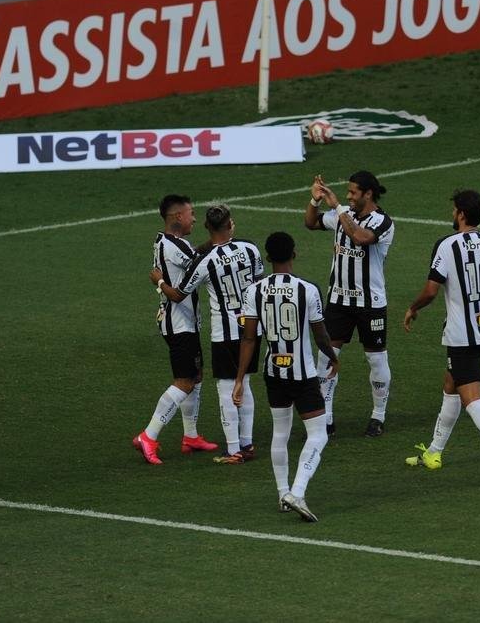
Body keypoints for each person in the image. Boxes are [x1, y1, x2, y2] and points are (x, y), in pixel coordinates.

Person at [402, 189, 480, 481]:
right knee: (451, 384)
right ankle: (434, 452)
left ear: (460, 214)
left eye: (454, 210)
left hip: (461, 334)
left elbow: (432, 290)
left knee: (472, 397)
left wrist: (413, 307)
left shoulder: (446, 245)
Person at [233, 231, 339, 523]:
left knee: (281, 432)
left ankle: (282, 494)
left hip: (273, 372)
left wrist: (240, 378)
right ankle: (297, 492)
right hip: (302, 374)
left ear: (267, 258)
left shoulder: (254, 291)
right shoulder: (308, 289)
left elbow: (249, 338)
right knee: (317, 434)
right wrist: (331, 355)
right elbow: (319, 333)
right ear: (294, 254)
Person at [152, 204, 265, 463]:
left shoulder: (205, 261)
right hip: (251, 327)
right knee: (245, 383)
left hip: (223, 333)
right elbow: (259, 283)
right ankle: (247, 444)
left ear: (207, 227)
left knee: (227, 389)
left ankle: (233, 449)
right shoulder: (250, 249)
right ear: (230, 224)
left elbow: (179, 294)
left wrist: (158, 281)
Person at [304, 170, 395, 437]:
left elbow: (361, 238)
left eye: (353, 192)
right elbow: (310, 223)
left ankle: (378, 415)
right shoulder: (344, 214)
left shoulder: (383, 221)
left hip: (370, 303)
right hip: (338, 301)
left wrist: (338, 207)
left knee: (376, 360)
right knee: (327, 358)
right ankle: (326, 418)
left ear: (368, 194)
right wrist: (315, 201)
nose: (348, 196)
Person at [132, 194, 219, 464]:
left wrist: (215, 242)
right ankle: (149, 435)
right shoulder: (172, 247)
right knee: (184, 381)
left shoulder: (170, 242)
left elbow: (195, 256)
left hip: (184, 322)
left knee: (197, 375)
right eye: (191, 213)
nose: (194, 217)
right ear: (177, 217)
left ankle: (191, 436)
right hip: (179, 323)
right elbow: (201, 265)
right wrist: (221, 245)